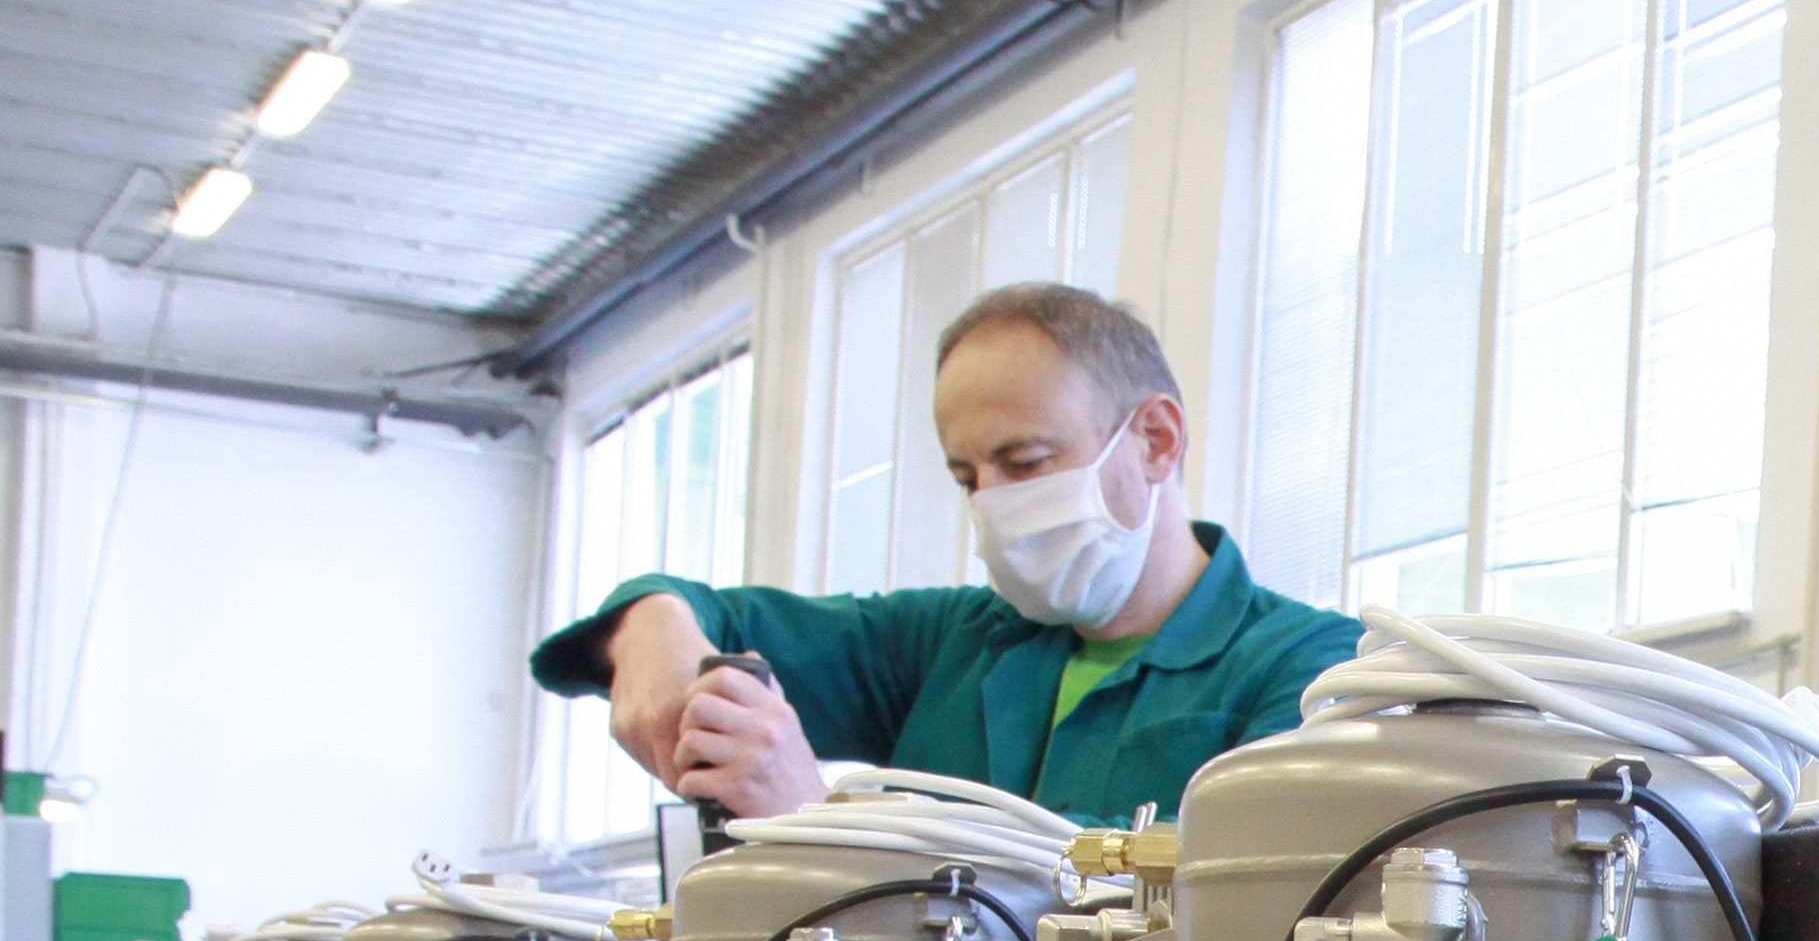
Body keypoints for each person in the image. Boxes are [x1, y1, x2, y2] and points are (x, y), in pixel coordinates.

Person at [528, 283, 1362, 827]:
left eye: (1025, 463)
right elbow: (716, 616)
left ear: (1155, 438)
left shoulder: (1315, 669)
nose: (993, 503)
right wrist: (651, 625)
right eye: (967, 477)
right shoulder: (947, 645)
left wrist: (816, 821)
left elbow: (1207, 890)